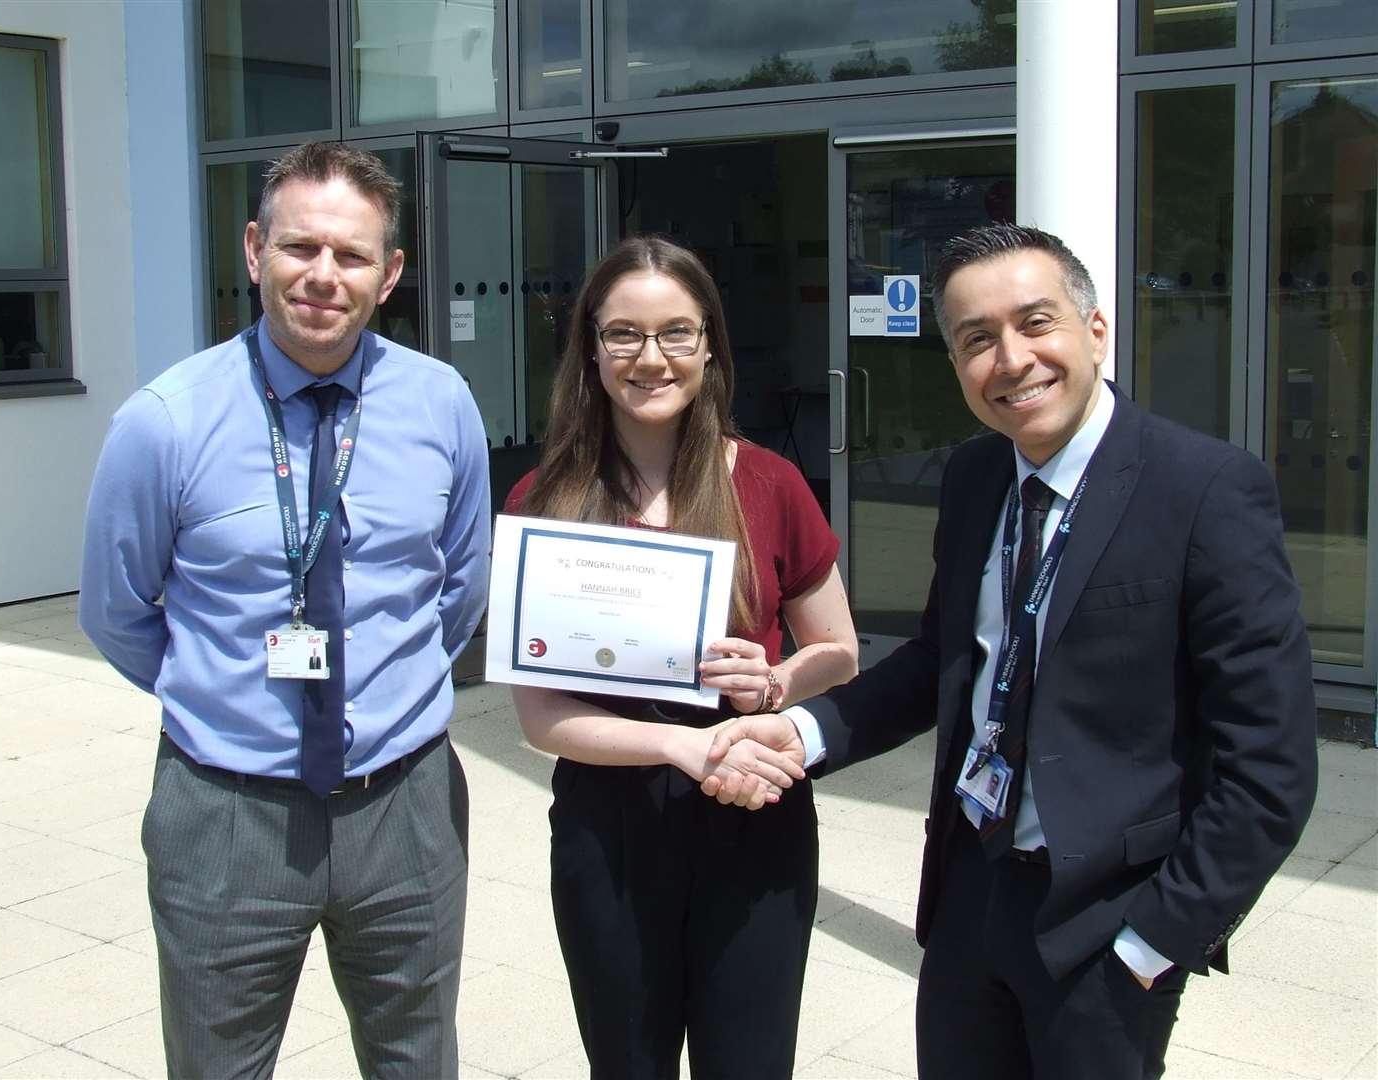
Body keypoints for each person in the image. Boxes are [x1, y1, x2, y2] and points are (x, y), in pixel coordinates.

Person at [706, 224, 1318, 1079]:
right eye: (977, 341)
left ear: (1095, 330)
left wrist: (1156, 942)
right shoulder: (974, 477)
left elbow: (1270, 766)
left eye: (1036, 323)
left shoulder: (1206, 490)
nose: (1012, 359)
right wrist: (803, 734)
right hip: (969, 890)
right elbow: (940, 661)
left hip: (1108, 921)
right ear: (956, 366)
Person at [79, 142, 491, 1079]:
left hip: (406, 802)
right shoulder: (165, 420)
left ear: (389, 274)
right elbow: (116, 611)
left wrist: (389, 687)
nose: (322, 276)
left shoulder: (442, 405)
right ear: (255, 248)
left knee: (417, 1061)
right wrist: (220, 689)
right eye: (301, 248)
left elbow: (460, 588)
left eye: (351, 256)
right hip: (227, 813)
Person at [505, 235, 859, 1079]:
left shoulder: (770, 483)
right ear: (590, 349)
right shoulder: (544, 499)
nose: (650, 357)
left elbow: (839, 651)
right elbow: (540, 718)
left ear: (709, 347)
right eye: (623, 333)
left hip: (755, 818)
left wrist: (774, 681)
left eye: (676, 333)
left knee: (751, 1063)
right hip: (610, 832)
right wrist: (675, 744)